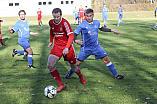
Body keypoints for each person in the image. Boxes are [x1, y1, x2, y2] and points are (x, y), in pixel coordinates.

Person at [64, 8, 125, 80]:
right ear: (85, 16)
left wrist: (112, 30)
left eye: (90, 16)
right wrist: (75, 40)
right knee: (77, 63)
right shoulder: (82, 25)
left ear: (93, 15)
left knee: (106, 59)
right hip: (86, 48)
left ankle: (116, 75)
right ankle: (68, 74)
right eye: (87, 16)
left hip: (96, 47)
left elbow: (101, 28)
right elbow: (74, 34)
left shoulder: (97, 22)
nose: (89, 18)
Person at [47, 8, 86, 93]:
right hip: (57, 46)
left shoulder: (65, 23)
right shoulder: (51, 22)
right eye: (54, 17)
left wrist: (66, 47)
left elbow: (71, 36)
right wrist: (51, 41)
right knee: (50, 65)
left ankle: (80, 75)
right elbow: (52, 30)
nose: (56, 19)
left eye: (58, 17)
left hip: (68, 47)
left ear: (61, 15)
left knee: (74, 68)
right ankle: (61, 84)